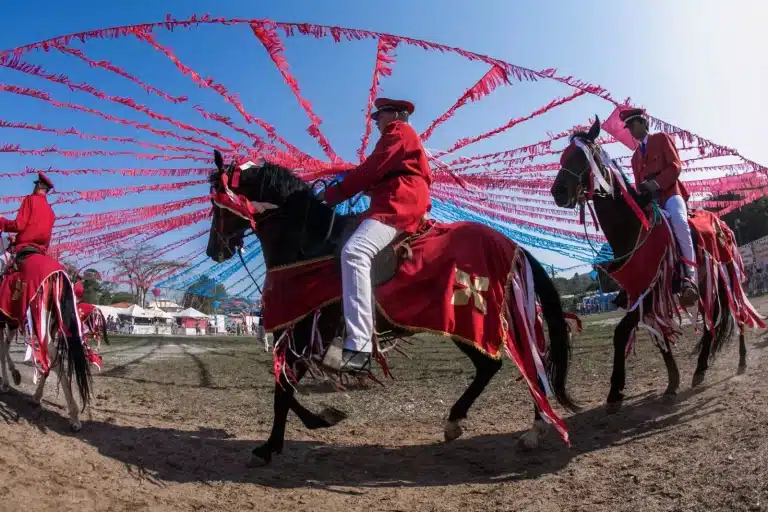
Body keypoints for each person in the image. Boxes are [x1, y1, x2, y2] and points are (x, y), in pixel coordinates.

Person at [319, 98, 433, 372]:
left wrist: (332, 194)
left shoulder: (398, 131)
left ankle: (358, 348)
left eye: (379, 115)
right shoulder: (401, 137)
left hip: (399, 202)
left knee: (355, 252)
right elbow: (376, 173)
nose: (376, 121)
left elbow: (371, 169)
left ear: (395, 115)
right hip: (395, 198)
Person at [620, 108, 698, 307]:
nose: (631, 130)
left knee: (679, 222)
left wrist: (656, 184)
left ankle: (690, 278)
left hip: (670, 194)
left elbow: (675, 166)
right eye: (628, 128)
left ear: (643, 123)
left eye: (632, 125)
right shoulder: (634, 158)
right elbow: (638, 184)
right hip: (651, 203)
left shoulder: (661, 139)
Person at [0, 172, 56, 260]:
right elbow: (43, 237)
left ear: (38, 185)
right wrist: (17, 238)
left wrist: (1, 221)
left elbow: (19, 225)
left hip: (23, 247)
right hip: (41, 251)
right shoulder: (51, 212)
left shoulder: (30, 199)